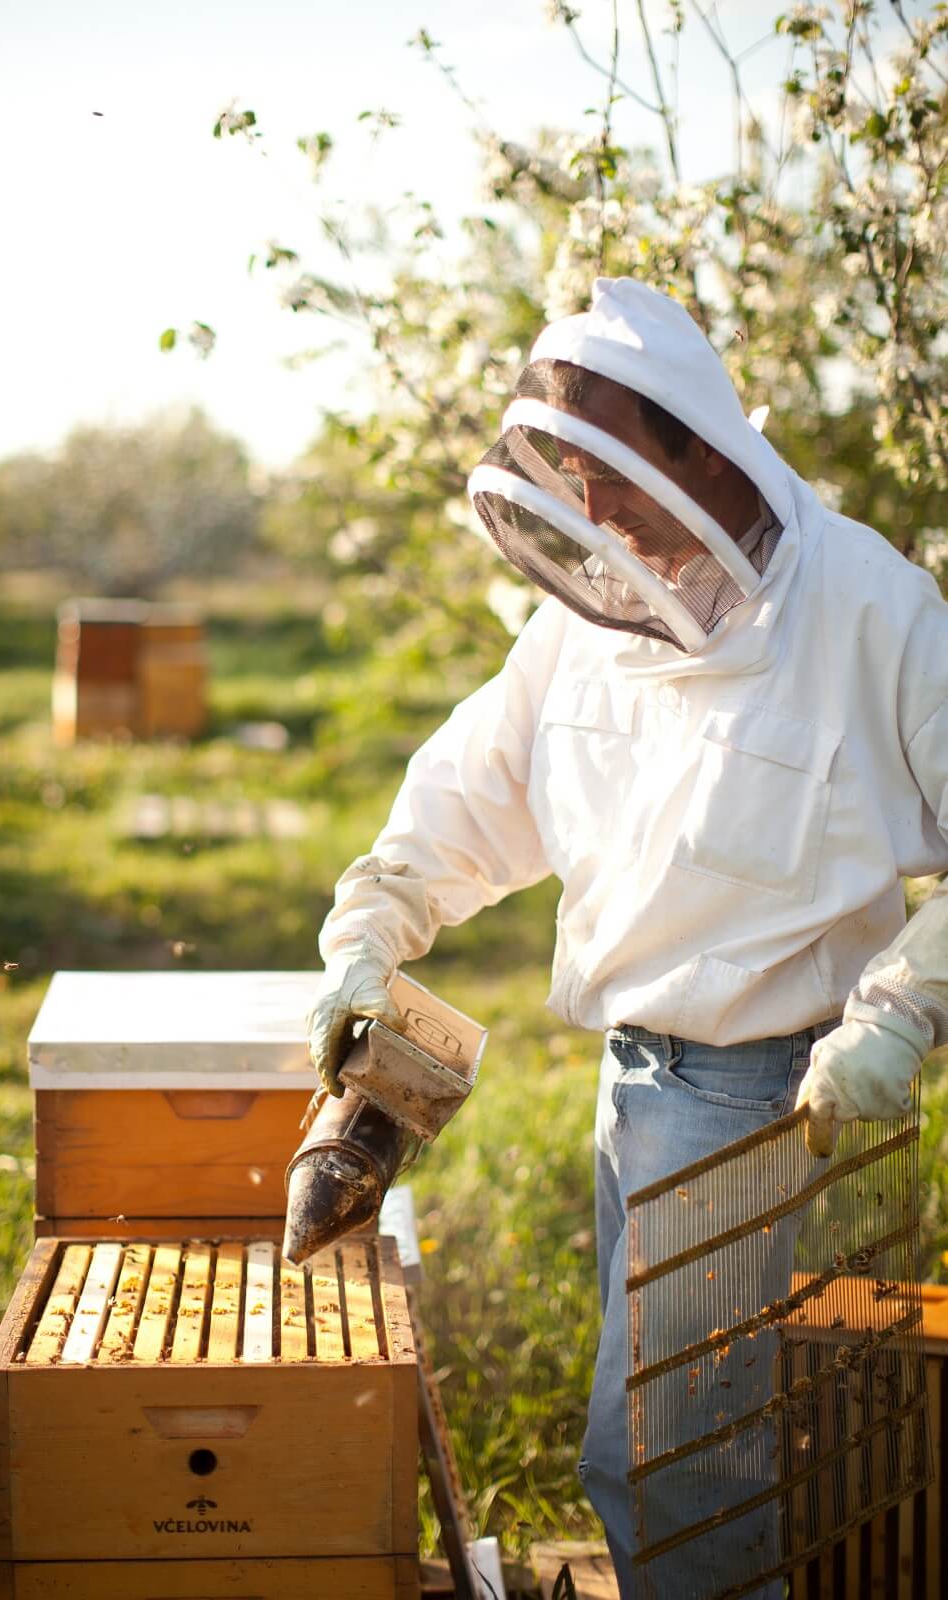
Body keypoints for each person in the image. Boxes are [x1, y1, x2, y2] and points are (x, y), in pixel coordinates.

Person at [306, 277, 948, 1597]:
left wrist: (899, 1012)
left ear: (700, 452)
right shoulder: (590, 616)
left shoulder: (872, 609)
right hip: (637, 1084)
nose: (593, 512)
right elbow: (476, 787)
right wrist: (375, 919)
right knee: (709, 1445)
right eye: (571, 478)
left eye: (613, 475)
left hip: (774, 1095)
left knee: (676, 1461)